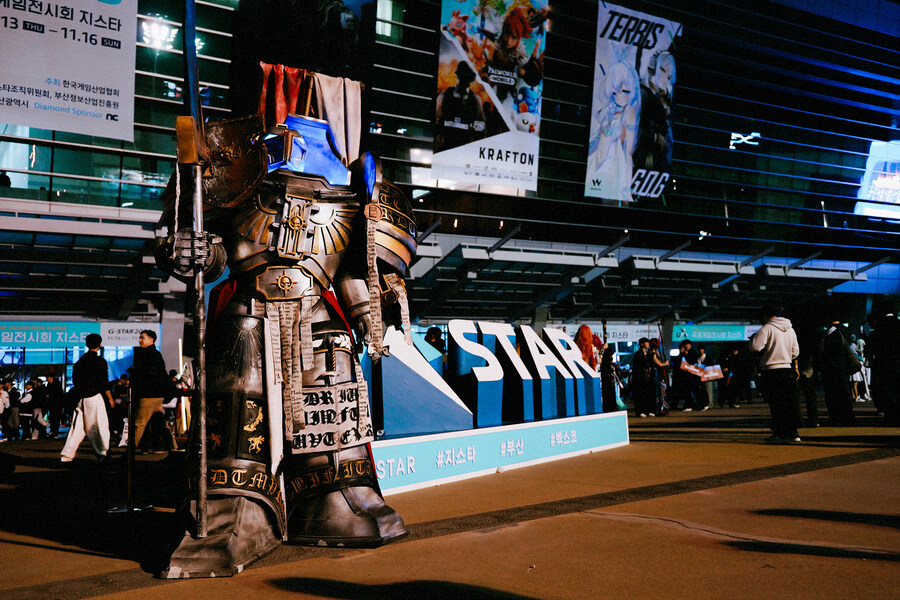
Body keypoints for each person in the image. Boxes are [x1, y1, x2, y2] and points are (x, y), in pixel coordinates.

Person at [749, 305, 801, 443]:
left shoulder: (766, 328)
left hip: (771, 370)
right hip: (787, 369)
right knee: (789, 403)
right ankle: (793, 432)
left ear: (765, 316)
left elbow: (755, 347)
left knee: (777, 404)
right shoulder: (790, 328)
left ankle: (780, 433)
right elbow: (796, 352)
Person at [61, 334, 112, 462]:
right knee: (98, 425)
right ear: (99, 345)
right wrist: (110, 398)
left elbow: (75, 381)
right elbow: (104, 382)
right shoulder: (100, 361)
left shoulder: (79, 362)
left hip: (79, 397)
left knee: (77, 427)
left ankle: (67, 455)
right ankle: (103, 453)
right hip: (94, 396)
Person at [130, 330, 177, 453]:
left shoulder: (147, 354)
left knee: (139, 424)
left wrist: (135, 372)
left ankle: (130, 452)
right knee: (161, 423)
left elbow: (148, 374)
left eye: (142, 338)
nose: (140, 340)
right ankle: (172, 446)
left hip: (148, 394)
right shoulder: (155, 354)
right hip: (157, 394)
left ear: (151, 339)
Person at [434, 60, 486, 153]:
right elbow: (437, 116)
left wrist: (474, 134)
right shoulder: (446, 94)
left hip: (465, 144)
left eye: (467, 77)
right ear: (458, 76)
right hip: (446, 142)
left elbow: (481, 123)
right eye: (463, 76)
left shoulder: (475, 99)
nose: (464, 80)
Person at [867, 304, 900, 426]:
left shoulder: (881, 325)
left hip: (886, 363)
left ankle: (891, 417)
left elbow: (875, 345)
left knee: (888, 391)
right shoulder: (898, 323)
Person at [822, 316, 857, 426]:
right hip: (844, 368)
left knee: (833, 395)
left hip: (833, 369)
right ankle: (847, 417)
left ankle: (836, 417)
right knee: (844, 393)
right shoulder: (845, 331)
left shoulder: (832, 333)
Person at [630, 338, 656, 417]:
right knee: (640, 395)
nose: (648, 344)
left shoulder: (647, 353)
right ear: (641, 344)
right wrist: (651, 356)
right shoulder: (638, 354)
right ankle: (640, 411)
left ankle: (648, 410)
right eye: (646, 343)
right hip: (639, 378)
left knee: (648, 394)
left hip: (648, 377)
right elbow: (643, 363)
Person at [697, 344, 714, 410]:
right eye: (699, 349)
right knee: (703, 391)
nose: (700, 351)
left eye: (702, 349)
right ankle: (705, 404)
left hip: (707, 376)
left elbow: (712, 365)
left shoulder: (708, 357)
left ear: (704, 350)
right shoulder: (698, 358)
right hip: (700, 376)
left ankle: (710, 404)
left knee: (708, 390)